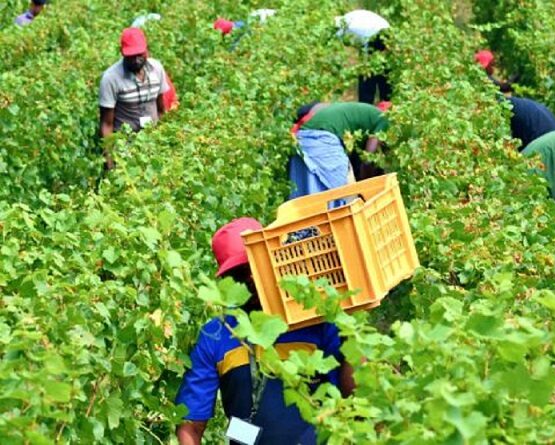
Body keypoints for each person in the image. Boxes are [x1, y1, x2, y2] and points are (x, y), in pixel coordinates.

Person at [175, 217, 354, 445]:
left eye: (256, 266)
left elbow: (355, 395)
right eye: (241, 272)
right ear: (227, 280)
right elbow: (190, 426)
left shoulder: (313, 319)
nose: (251, 279)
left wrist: (352, 329)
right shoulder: (216, 334)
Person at [98, 28, 171, 169]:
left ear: (147, 50)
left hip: (152, 143)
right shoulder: (111, 78)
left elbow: (161, 109)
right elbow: (106, 124)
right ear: (122, 53)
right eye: (131, 56)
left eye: (140, 54)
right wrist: (110, 162)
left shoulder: (157, 69)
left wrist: (162, 141)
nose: (136, 60)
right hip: (125, 148)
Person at [289, 101, 389, 197]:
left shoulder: (366, 115)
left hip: (301, 138)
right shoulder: (385, 120)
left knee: (302, 197)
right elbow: (368, 158)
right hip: (323, 139)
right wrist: (368, 191)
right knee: (341, 195)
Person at [336, 10, 392, 104]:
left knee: (367, 76)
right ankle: (386, 103)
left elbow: (345, 41)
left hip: (377, 36)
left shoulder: (346, 26)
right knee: (383, 71)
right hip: (383, 32)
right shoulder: (349, 20)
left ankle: (367, 104)